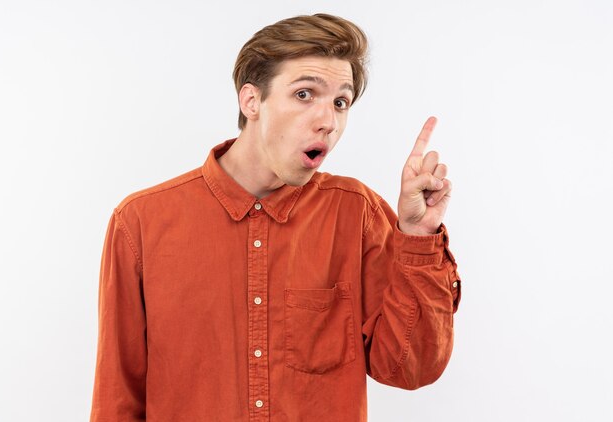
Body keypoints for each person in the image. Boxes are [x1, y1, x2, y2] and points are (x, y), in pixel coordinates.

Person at [90, 13, 461, 421]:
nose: (329, 121)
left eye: (341, 101)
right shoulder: (141, 222)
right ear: (251, 101)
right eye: (305, 94)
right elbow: (117, 399)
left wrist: (418, 236)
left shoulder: (357, 213)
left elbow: (410, 368)